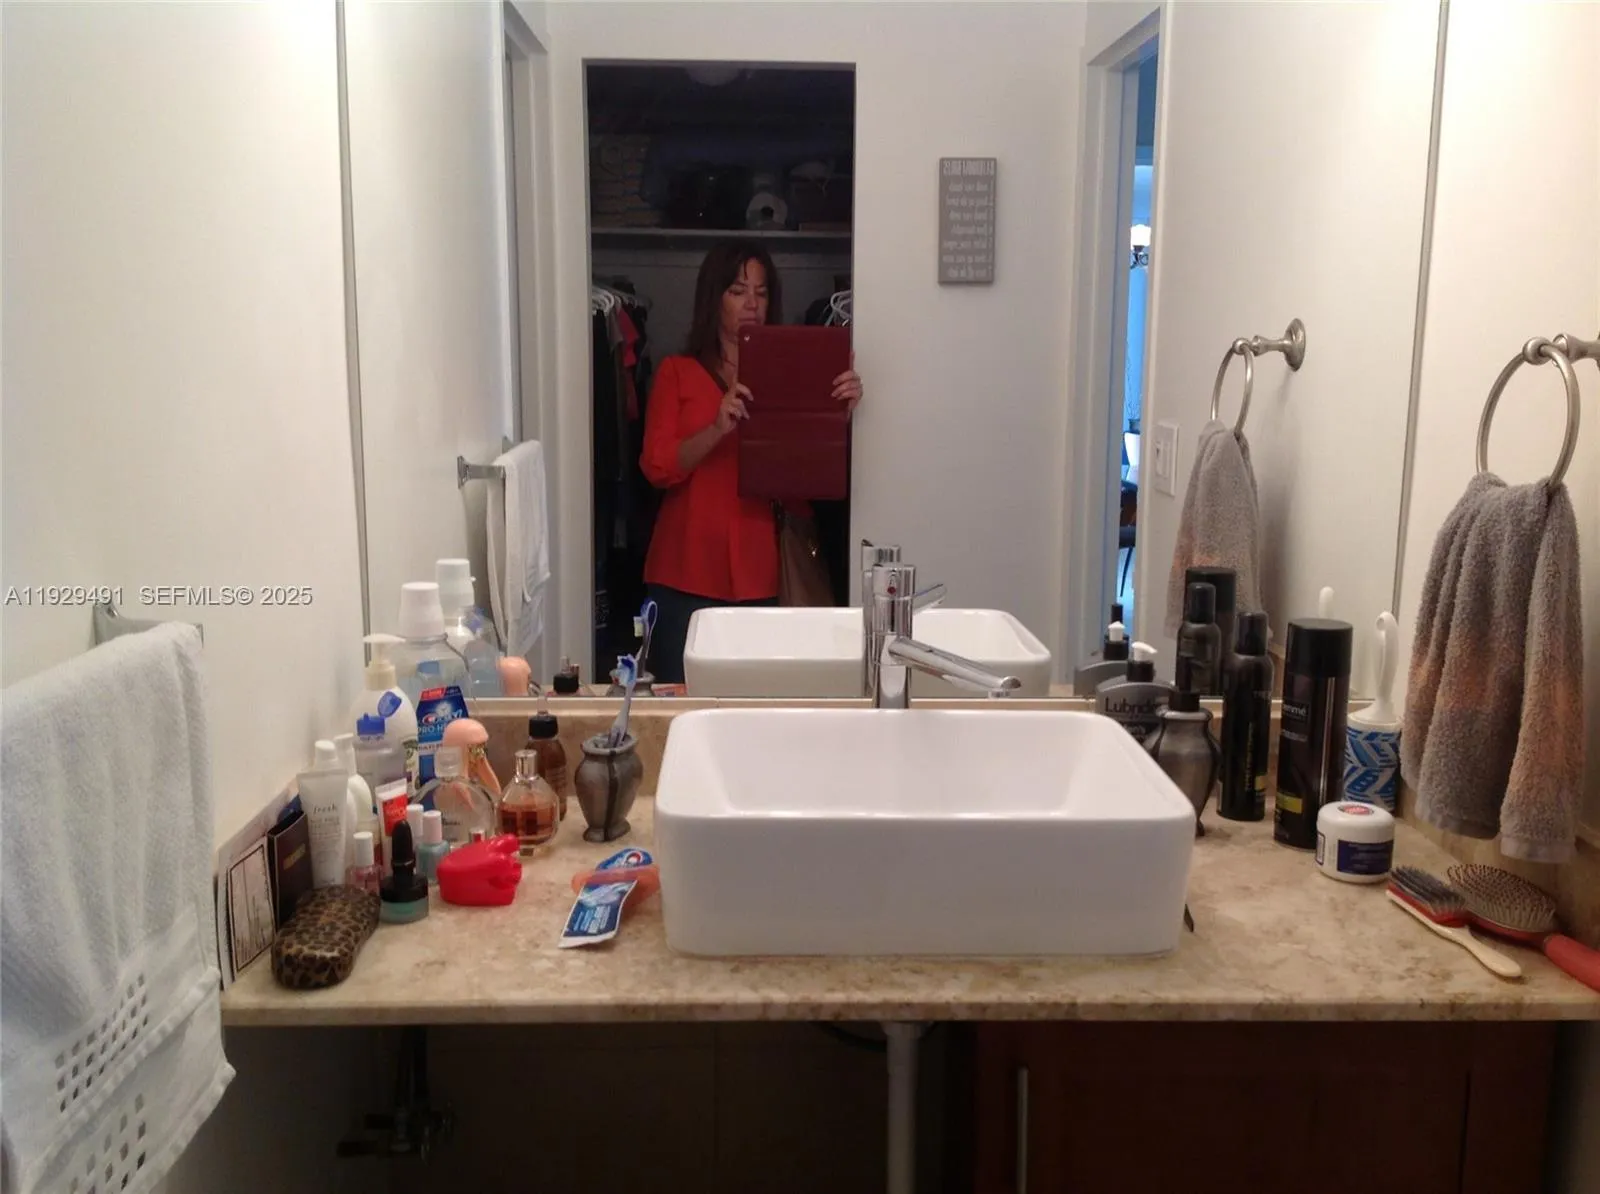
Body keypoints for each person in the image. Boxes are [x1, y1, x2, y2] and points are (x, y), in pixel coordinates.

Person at [639, 241, 863, 684]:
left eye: (761, 292)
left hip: (765, 568)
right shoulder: (677, 371)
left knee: (764, 698)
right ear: (714, 297)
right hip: (687, 567)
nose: (751, 304)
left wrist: (836, 415)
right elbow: (657, 466)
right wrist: (717, 427)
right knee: (680, 695)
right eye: (738, 291)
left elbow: (809, 476)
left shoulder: (793, 368)